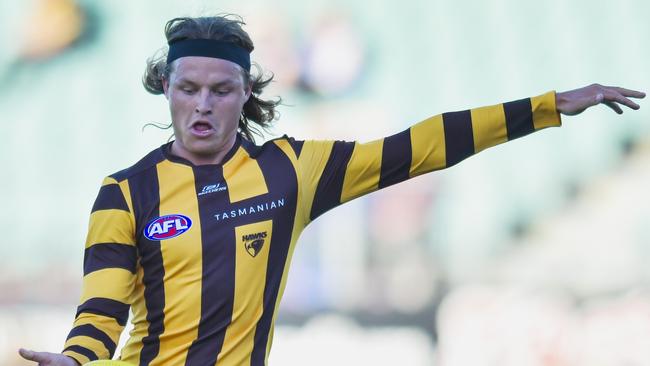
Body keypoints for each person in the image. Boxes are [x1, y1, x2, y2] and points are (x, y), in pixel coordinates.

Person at [19, 14, 645, 366]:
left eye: (222, 89)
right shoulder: (125, 193)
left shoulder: (290, 171)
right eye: (189, 89)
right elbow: (101, 312)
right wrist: (76, 362)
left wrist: (549, 106)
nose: (203, 105)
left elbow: (418, 147)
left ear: (246, 95)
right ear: (166, 90)